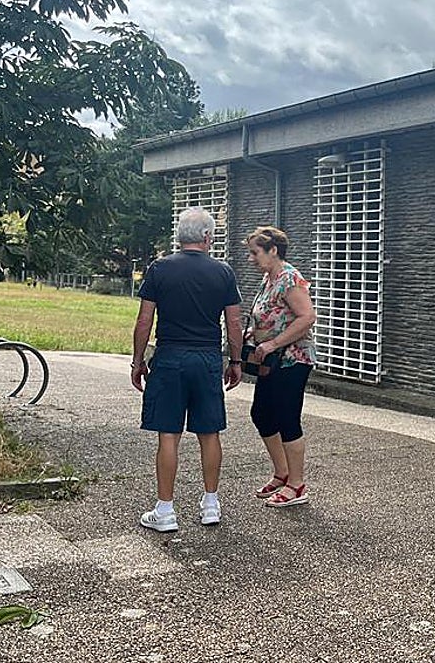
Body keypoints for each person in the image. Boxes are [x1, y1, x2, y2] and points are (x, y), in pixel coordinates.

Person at [131, 208, 243, 531]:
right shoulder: (223, 272)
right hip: (207, 359)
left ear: (180, 236)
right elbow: (233, 323)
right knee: (209, 433)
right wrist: (235, 361)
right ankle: (211, 505)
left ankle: (165, 511)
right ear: (208, 237)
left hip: (169, 358)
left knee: (169, 434)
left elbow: (144, 321)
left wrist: (138, 361)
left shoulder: (160, 269)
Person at [244, 225, 317, 508]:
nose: (251, 259)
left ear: (273, 250)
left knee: (287, 418)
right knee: (261, 413)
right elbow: (273, 315)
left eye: (255, 253)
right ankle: (282, 473)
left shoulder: (289, 278)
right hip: (271, 360)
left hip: (292, 359)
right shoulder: (269, 277)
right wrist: (257, 333)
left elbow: (307, 317)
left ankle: (297, 485)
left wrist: (273, 343)